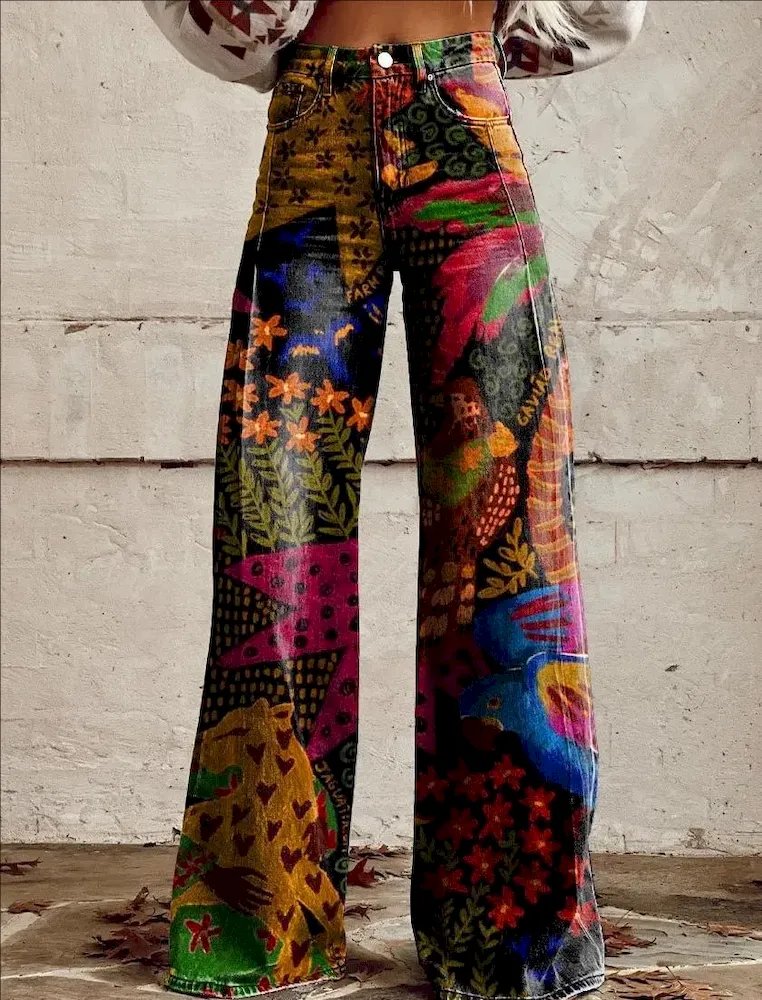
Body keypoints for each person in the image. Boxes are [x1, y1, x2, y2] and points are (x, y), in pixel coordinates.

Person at [141, 2, 647, 998]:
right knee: (275, 531)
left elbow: (608, 11)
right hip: (313, 129)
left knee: (505, 540)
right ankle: (261, 923)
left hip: (465, 115)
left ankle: (513, 938)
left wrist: (490, 41)